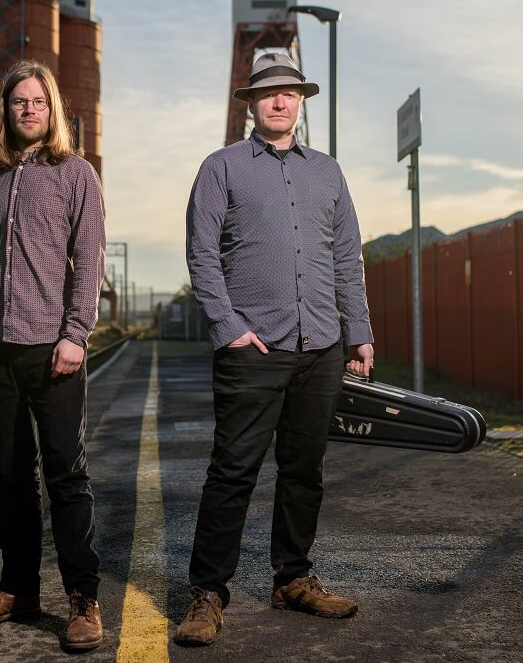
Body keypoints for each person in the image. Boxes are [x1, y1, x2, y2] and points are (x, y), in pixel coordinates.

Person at [174, 52, 375, 647]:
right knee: (232, 472)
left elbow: (347, 258)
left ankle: (292, 578)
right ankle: (208, 591)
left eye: (289, 93)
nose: (280, 101)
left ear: (302, 101)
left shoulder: (328, 172)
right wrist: (228, 326)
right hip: (252, 348)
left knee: (304, 470)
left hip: (321, 344)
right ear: (251, 104)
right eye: (268, 94)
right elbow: (202, 255)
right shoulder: (221, 167)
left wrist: (357, 332)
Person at [0, 59, 106, 652]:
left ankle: (83, 600)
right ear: (6, 112)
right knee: (14, 480)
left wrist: (76, 334)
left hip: (54, 352)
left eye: (37, 101)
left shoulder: (76, 175)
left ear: (53, 110)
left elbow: (89, 261)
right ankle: (18, 590)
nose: (28, 110)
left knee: (67, 476)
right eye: (18, 102)